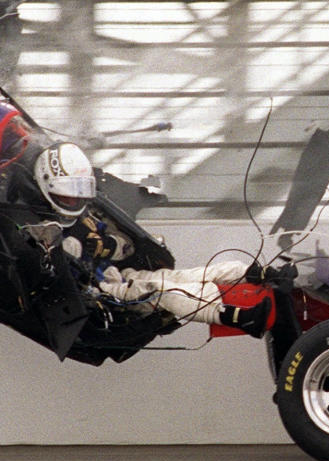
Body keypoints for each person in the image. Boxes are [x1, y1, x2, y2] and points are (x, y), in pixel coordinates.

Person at [26, 142, 277, 337]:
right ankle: (239, 317)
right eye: (70, 195)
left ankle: (258, 273)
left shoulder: (87, 216)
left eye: (81, 192)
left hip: (123, 274)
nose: (77, 200)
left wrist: (108, 246)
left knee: (184, 277)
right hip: (104, 293)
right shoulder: (44, 227)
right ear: (49, 186)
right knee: (163, 292)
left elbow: (125, 245)